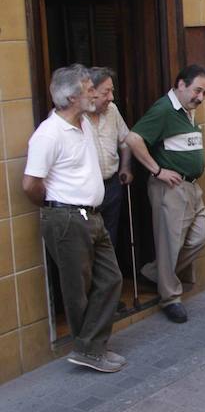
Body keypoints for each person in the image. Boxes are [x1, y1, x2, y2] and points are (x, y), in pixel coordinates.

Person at [23, 65, 125, 372]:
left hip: (91, 216)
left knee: (111, 279)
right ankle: (91, 351)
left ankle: (90, 347)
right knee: (77, 289)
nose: (94, 92)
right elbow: (30, 184)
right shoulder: (49, 134)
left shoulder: (84, 123)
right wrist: (57, 206)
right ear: (70, 97)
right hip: (67, 217)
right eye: (88, 89)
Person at [125, 65, 205, 324]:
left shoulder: (187, 111)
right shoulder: (164, 109)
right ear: (180, 85)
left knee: (199, 237)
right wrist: (157, 170)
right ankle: (170, 297)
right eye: (197, 90)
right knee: (169, 244)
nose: (201, 97)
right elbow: (133, 138)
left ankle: (154, 272)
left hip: (191, 186)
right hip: (171, 188)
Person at [87, 67, 133, 250]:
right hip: (88, 190)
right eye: (106, 92)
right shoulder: (77, 117)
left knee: (109, 239)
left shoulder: (112, 110)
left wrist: (126, 168)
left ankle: (107, 279)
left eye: (111, 91)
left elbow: (125, 141)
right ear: (90, 92)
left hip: (112, 185)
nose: (111, 97)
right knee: (88, 243)